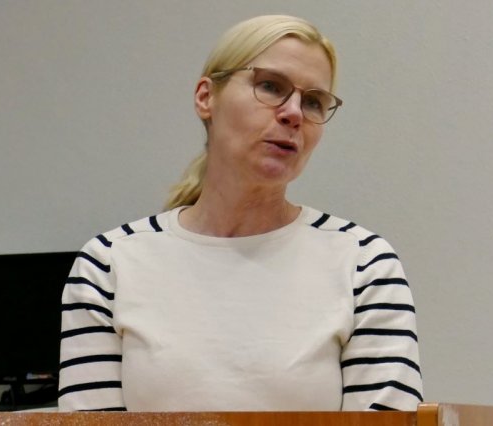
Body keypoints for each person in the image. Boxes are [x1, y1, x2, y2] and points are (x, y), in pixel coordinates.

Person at [58, 14, 422, 412]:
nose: (293, 113)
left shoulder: (364, 264)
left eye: (313, 102)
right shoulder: (108, 264)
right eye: (271, 86)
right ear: (206, 97)